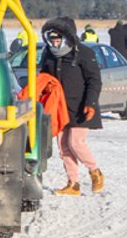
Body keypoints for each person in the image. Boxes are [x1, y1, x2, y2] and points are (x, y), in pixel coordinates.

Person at [42, 17, 103, 195]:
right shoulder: (48, 53)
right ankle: (73, 184)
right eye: (51, 39)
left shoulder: (84, 53)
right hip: (60, 107)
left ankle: (95, 172)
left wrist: (90, 103)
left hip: (81, 107)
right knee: (63, 146)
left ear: (67, 37)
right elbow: (44, 76)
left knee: (75, 142)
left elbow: (94, 81)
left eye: (58, 39)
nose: (55, 43)